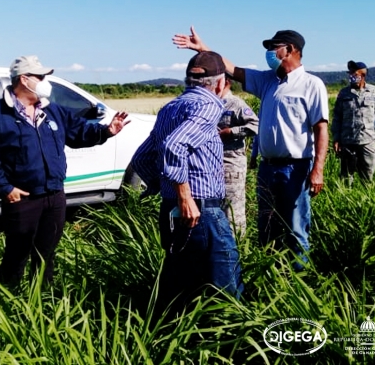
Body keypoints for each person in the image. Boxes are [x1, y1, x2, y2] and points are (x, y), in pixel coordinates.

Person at [173, 27, 329, 270]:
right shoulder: (268, 80)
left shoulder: (312, 84)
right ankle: (270, 274)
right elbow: (233, 70)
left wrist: (317, 169)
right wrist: (204, 50)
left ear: (289, 50)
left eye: (273, 48)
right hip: (268, 168)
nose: (268, 53)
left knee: (296, 227)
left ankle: (299, 281)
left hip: (296, 168)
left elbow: (321, 129)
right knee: (266, 226)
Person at [0, 55, 129, 287]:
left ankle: (43, 301)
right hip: (22, 198)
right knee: (16, 255)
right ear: (24, 79)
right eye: (40, 76)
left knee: (46, 254)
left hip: (54, 195)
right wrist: (5, 188)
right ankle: (3, 301)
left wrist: (106, 131)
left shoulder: (53, 111)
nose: (46, 81)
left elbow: (78, 133)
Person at [131, 51, 243, 315]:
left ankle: (174, 335)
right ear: (219, 83)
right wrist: (184, 195)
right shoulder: (209, 104)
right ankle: (229, 342)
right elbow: (175, 145)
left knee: (181, 284)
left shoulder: (170, 107)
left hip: (173, 209)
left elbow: (142, 157)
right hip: (200, 211)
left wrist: (163, 187)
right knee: (225, 284)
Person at [332, 60, 375, 183]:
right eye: (350, 73)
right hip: (348, 140)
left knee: (368, 175)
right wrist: (336, 138)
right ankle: (346, 199)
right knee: (346, 177)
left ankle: (367, 198)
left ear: (363, 75)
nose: (351, 76)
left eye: (354, 74)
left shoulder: (373, 91)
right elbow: (337, 117)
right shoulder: (344, 93)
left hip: (368, 140)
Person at [218, 76, 259, 237]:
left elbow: (255, 125)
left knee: (233, 211)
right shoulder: (209, 104)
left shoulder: (236, 104)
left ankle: (238, 249)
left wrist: (232, 132)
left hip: (231, 165)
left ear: (226, 82)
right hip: (212, 166)